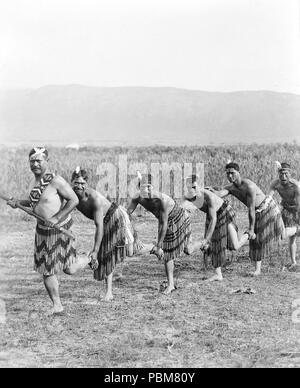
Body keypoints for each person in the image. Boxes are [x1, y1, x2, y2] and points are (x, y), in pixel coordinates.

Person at [7, 147, 92, 315]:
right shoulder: (33, 182)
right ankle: (57, 305)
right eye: (32, 161)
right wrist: (18, 202)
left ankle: (89, 258)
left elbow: (73, 200)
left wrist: (56, 218)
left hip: (59, 229)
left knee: (70, 269)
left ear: (47, 161)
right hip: (42, 231)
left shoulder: (56, 180)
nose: (35, 164)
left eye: (39, 160)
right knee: (47, 271)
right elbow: (36, 204)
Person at [211, 162, 285, 276]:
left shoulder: (249, 186)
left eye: (232, 173)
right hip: (257, 211)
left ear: (238, 172)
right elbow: (219, 193)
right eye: (228, 174)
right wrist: (208, 190)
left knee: (280, 234)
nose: (230, 176)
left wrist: (251, 229)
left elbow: (250, 209)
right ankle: (257, 270)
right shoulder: (230, 187)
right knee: (256, 239)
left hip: (267, 208)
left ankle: (295, 229)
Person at [127, 173, 191, 294]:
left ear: (154, 187)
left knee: (172, 250)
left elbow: (164, 224)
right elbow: (127, 214)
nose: (146, 190)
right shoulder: (137, 197)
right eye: (142, 187)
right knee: (167, 253)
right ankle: (171, 284)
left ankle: (196, 244)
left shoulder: (162, 200)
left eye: (149, 187)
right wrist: (134, 235)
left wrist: (159, 245)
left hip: (178, 217)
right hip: (163, 221)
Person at [71, 167, 128, 301]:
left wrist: (95, 250)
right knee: (112, 252)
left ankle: (155, 248)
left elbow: (99, 225)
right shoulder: (70, 195)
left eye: (82, 183)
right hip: (104, 220)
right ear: (71, 182)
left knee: (122, 250)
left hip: (115, 217)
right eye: (76, 183)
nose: (79, 186)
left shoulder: (94, 198)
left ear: (87, 184)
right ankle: (109, 290)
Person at [182, 175, 249, 281]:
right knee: (215, 243)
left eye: (194, 187)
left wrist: (205, 240)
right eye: (190, 187)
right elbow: (183, 214)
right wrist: (188, 238)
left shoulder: (209, 197)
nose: (193, 190)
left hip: (225, 212)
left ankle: (248, 234)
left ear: (199, 186)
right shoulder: (187, 197)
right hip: (211, 214)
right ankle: (218, 274)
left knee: (234, 246)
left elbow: (214, 220)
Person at [268, 162, 300, 267]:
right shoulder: (275, 184)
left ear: (290, 174)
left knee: (287, 234)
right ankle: (293, 262)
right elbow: (269, 198)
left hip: (297, 210)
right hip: (285, 210)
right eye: (281, 174)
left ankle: (297, 229)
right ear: (278, 174)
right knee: (290, 238)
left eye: (286, 174)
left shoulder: (296, 185)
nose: (283, 176)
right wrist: (269, 207)